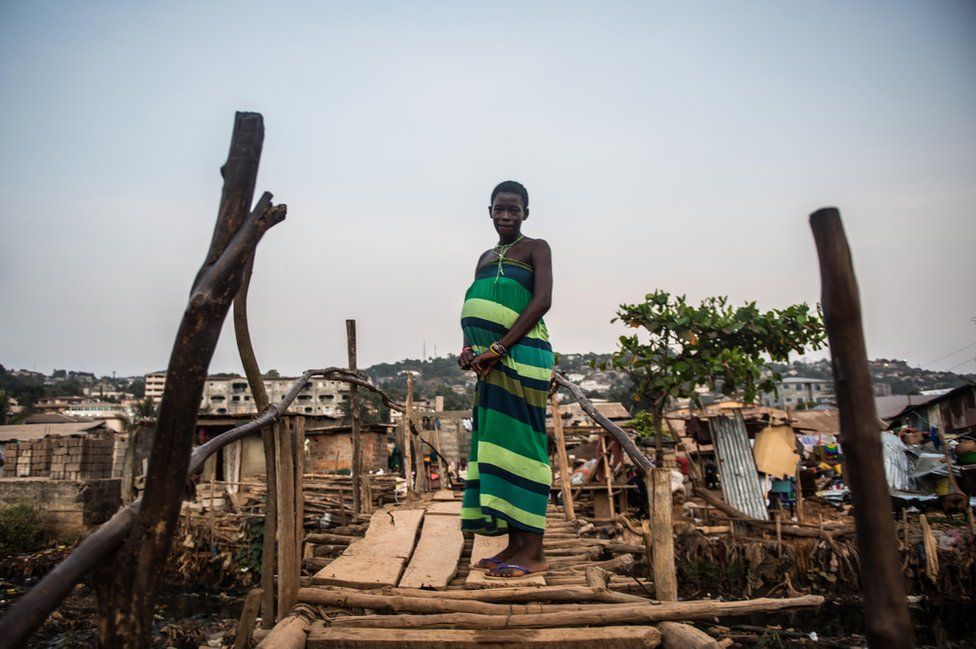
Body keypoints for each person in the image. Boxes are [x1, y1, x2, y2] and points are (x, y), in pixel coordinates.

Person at [457, 180, 553, 578]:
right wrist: (468, 346)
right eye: (499, 208)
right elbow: (476, 304)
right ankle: (514, 544)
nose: (506, 215)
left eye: (513, 209)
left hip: (522, 357)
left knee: (523, 447)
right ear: (490, 211)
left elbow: (542, 300)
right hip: (490, 366)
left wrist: (499, 348)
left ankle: (534, 551)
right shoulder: (483, 256)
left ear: (525, 213)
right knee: (498, 449)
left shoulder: (537, 248)